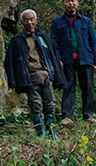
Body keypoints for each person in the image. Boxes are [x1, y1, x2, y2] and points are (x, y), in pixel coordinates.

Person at [4, 9, 65, 139]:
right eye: (26, 20)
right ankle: (40, 134)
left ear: (36, 21)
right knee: (36, 105)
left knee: (50, 104)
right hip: (30, 77)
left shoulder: (43, 37)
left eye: (32, 19)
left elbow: (53, 57)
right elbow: (9, 61)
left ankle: (52, 133)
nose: (29, 22)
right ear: (21, 22)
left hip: (46, 76)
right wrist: (13, 82)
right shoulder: (17, 40)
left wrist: (57, 75)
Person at [49, 0, 96, 125]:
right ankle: (67, 116)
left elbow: (93, 41)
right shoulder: (57, 22)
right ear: (63, 4)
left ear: (77, 3)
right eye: (68, 1)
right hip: (67, 60)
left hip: (86, 59)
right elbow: (54, 43)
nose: (71, 4)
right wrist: (57, 60)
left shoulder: (86, 21)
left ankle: (88, 115)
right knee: (68, 87)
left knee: (87, 87)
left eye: (73, 1)